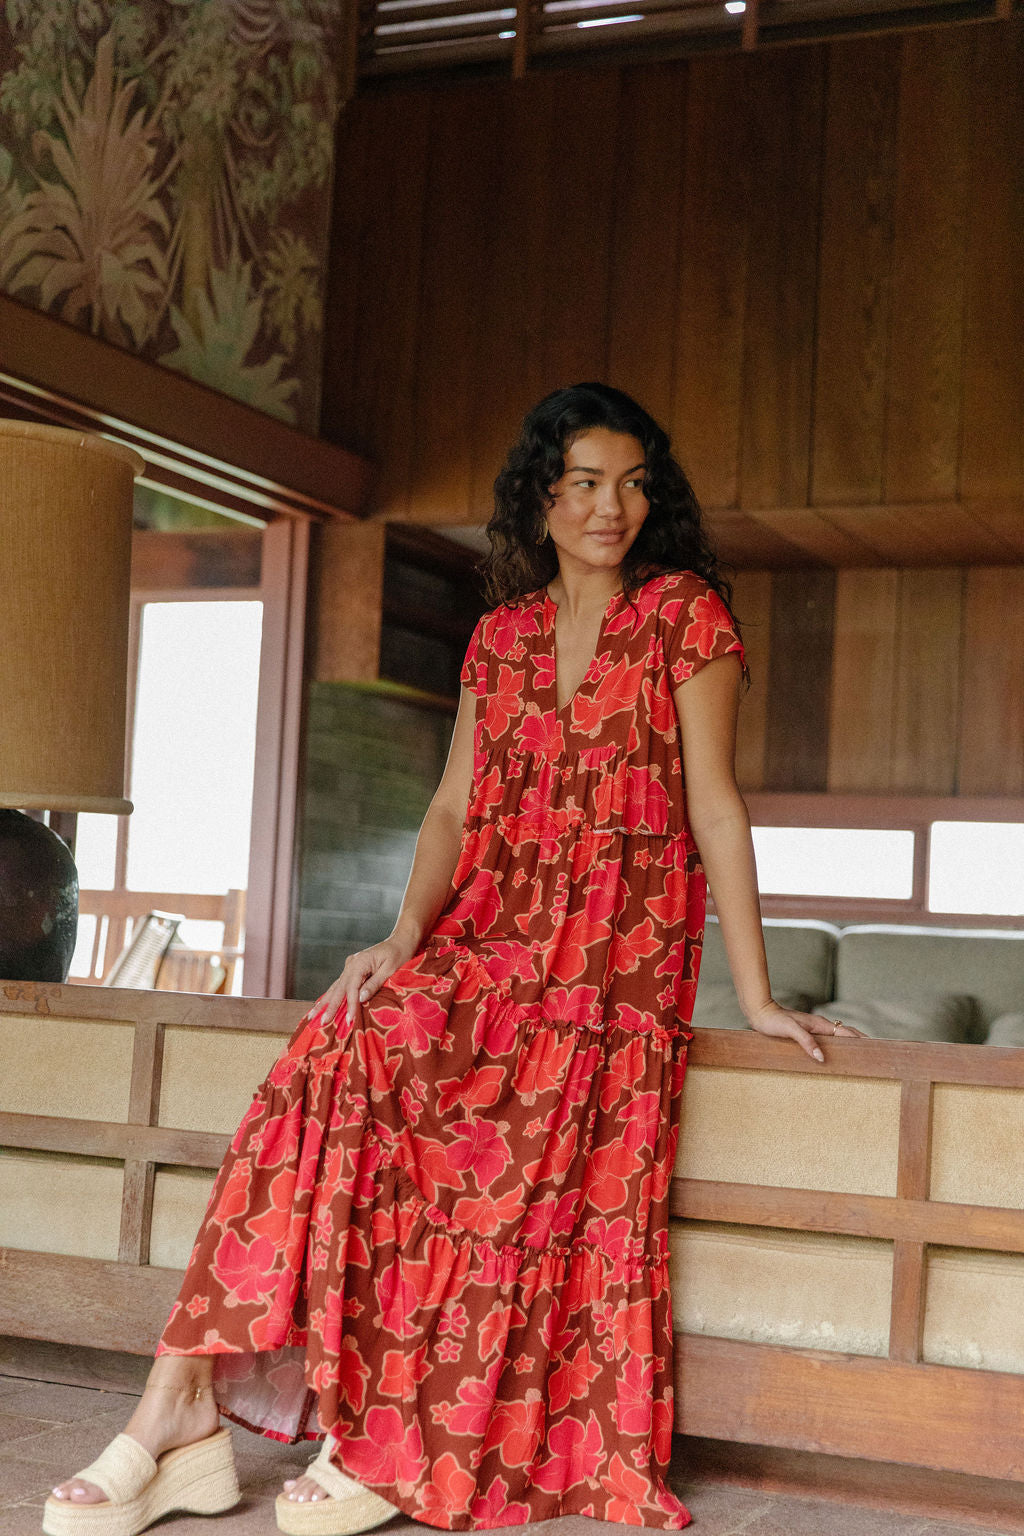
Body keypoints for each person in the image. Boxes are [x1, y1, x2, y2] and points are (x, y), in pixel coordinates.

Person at [45, 383, 860, 1536]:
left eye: (633, 483)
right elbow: (446, 815)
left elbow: (716, 809)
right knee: (334, 1050)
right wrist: (398, 938)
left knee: (495, 1167)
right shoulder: (502, 636)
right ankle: (176, 1404)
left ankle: (382, 1434)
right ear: (538, 496)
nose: (609, 506)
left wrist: (763, 993)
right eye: (583, 482)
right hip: (491, 933)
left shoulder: (685, 617)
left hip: (610, 966)